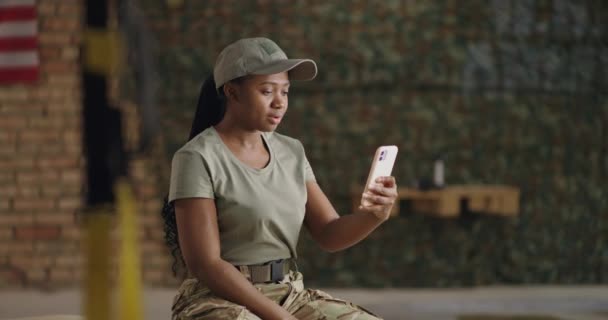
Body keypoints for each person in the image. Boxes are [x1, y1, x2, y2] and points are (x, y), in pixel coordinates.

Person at [161, 37, 398, 320]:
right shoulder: (196, 157)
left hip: (289, 295)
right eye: (266, 91)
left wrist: (373, 214)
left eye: (285, 92)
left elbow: (329, 233)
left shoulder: (292, 151)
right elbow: (206, 264)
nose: (279, 103)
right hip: (218, 299)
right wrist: (280, 318)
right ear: (232, 93)